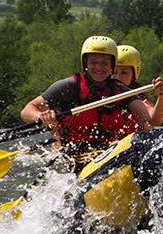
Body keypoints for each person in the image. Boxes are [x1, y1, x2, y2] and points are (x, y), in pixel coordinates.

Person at [21, 36, 155, 161]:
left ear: (112, 65)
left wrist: (161, 96)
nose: (99, 67)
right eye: (94, 62)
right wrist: (41, 117)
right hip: (74, 155)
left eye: (104, 63)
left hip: (111, 153)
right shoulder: (69, 86)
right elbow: (27, 110)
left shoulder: (122, 92)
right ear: (86, 63)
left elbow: (149, 122)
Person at [113, 45, 163, 127]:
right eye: (115, 72)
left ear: (133, 76)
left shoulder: (137, 98)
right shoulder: (101, 91)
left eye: (124, 73)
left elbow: (155, 120)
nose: (117, 77)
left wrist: (162, 97)